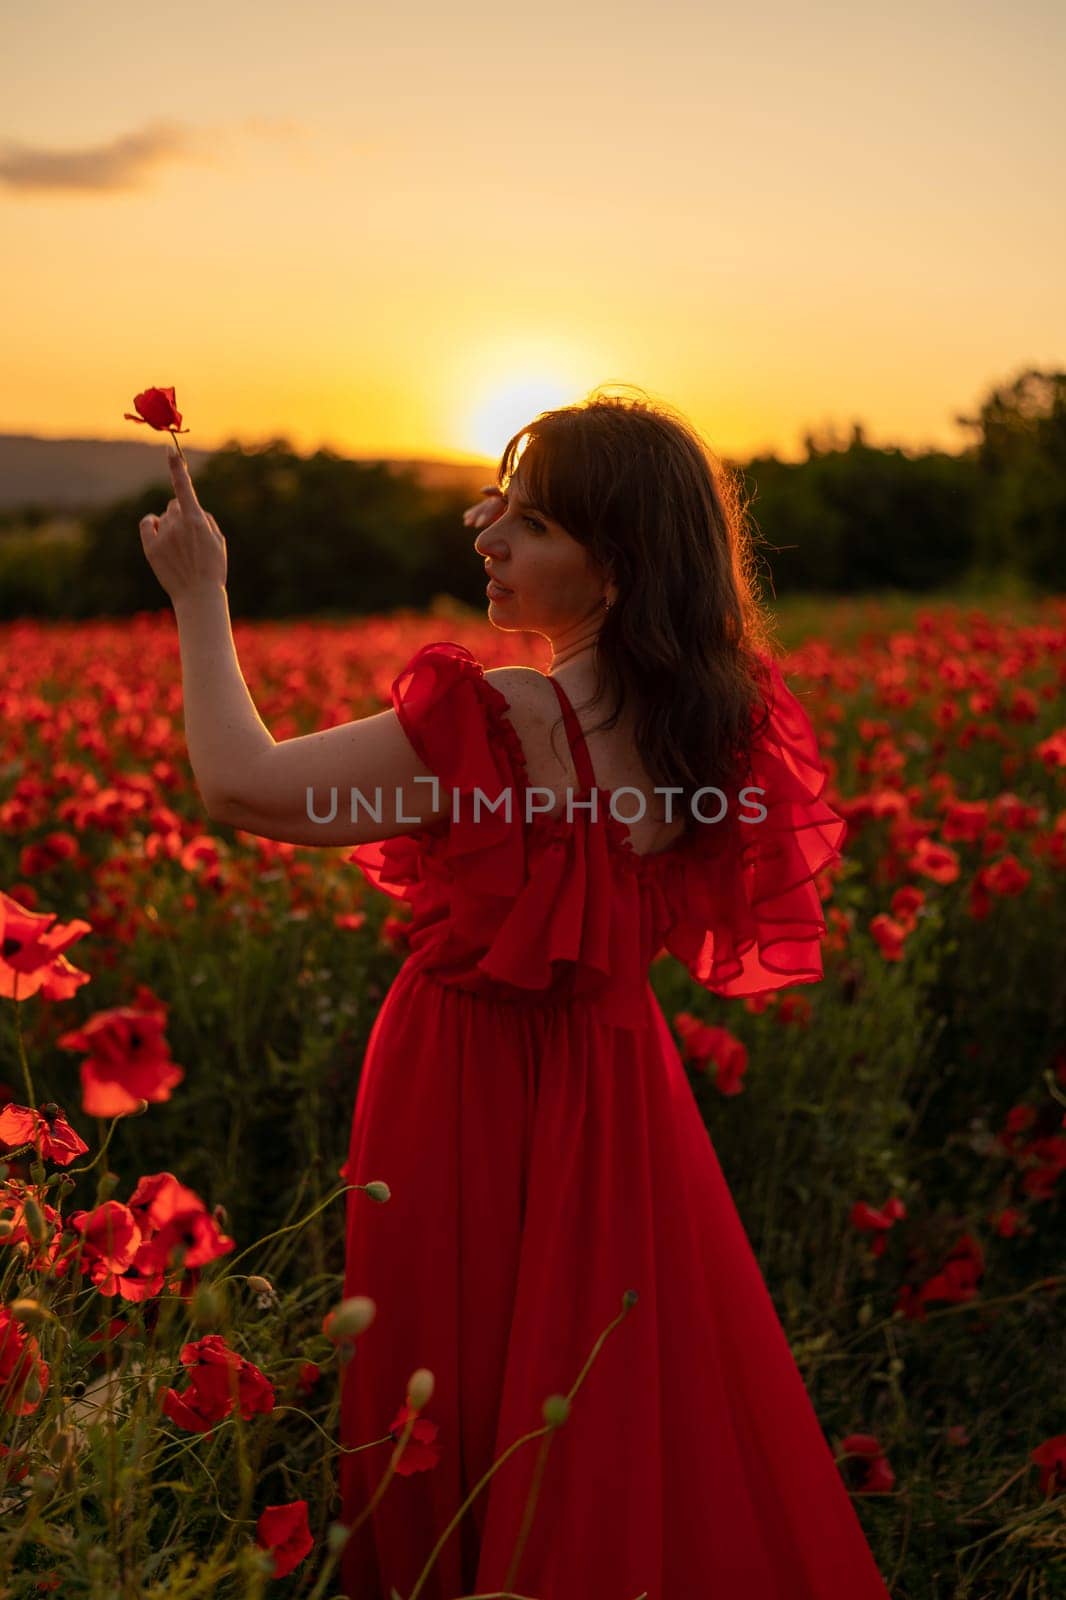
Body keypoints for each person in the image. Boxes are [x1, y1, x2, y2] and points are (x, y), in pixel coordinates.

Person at [142, 392, 890, 1599]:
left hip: (467, 1083)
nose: (485, 530)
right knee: (607, 1380)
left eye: (530, 520)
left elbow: (245, 790)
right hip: (617, 1088)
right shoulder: (718, 725)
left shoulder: (506, 716)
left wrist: (199, 593)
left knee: (461, 1373)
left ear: (616, 565)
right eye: (497, 501)